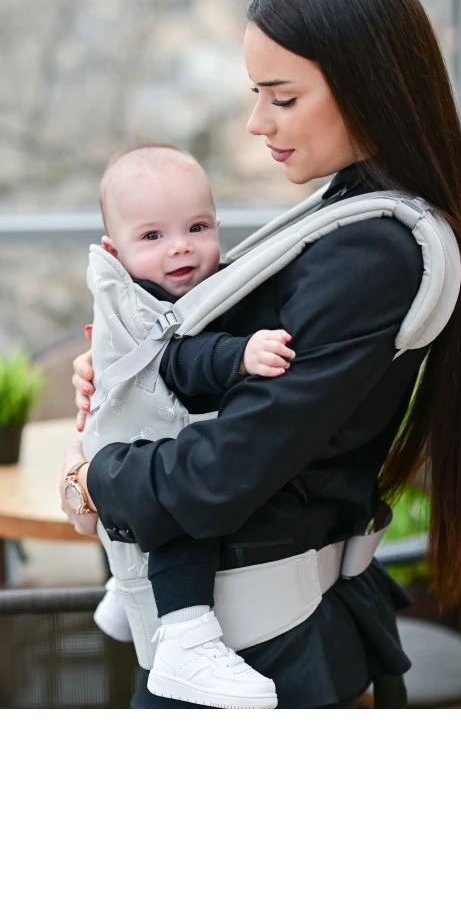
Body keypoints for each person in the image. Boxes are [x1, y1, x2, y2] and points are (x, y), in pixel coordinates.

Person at [59, 0, 461, 709]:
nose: (258, 122)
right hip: (272, 634)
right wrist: (135, 374)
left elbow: (219, 476)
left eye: (283, 98)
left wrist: (97, 475)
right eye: (257, 95)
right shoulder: (352, 215)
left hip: (258, 647)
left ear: (366, 85)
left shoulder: (371, 253)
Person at [88, 142, 295, 709]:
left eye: (197, 227)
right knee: (182, 510)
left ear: (217, 226)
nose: (180, 246)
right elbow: (179, 359)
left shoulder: (158, 289)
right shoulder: (148, 305)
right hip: (138, 457)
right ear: (115, 251)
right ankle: (185, 633)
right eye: (153, 236)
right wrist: (240, 354)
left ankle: (125, 593)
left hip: (118, 450)